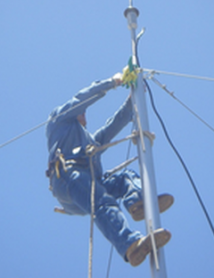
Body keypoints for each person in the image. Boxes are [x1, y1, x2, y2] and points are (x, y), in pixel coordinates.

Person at [45, 72, 174, 266]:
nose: (84, 113)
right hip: (68, 176)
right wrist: (114, 81)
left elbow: (112, 126)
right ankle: (130, 246)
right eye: (82, 112)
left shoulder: (90, 141)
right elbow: (83, 98)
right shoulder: (59, 119)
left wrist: (132, 102)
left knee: (125, 178)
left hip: (86, 183)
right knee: (102, 201)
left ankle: (137, 203)